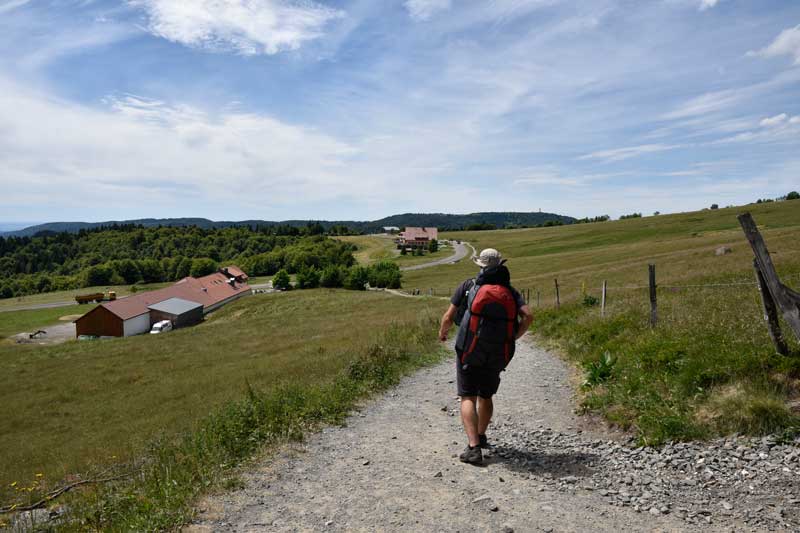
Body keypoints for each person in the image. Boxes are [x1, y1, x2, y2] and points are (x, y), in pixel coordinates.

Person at [438, 248, 534, 465]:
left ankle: (473, 448)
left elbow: (448, 316)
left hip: (469, 350)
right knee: (486, 396)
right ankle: (481, 436)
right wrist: (513, 337)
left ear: (480, 266)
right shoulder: (510, 291)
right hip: (498, 352)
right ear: (500, 265)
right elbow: (528, 316)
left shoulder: (468, 286)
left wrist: (443, 333)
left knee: (467, 397)